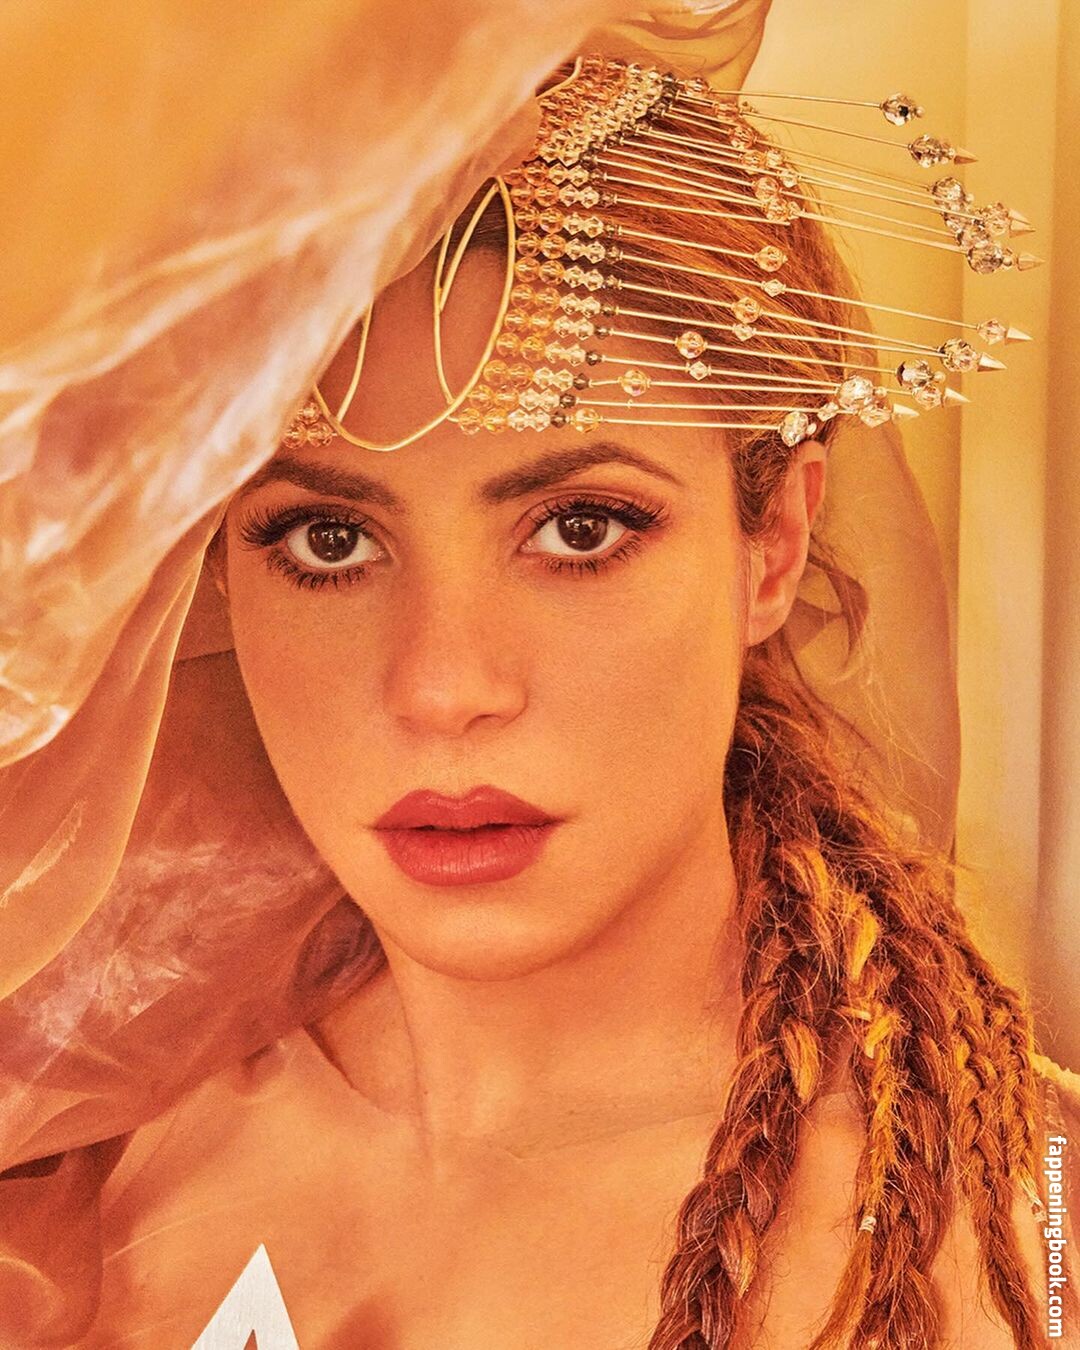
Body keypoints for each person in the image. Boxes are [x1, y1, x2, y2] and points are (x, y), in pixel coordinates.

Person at [1, 23, 1077, 1350]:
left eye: (580, 527)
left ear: (774, 546)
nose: (443, 686)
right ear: (218, 568)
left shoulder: (1019, 1235)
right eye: (328, 540)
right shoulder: (80, 1172)